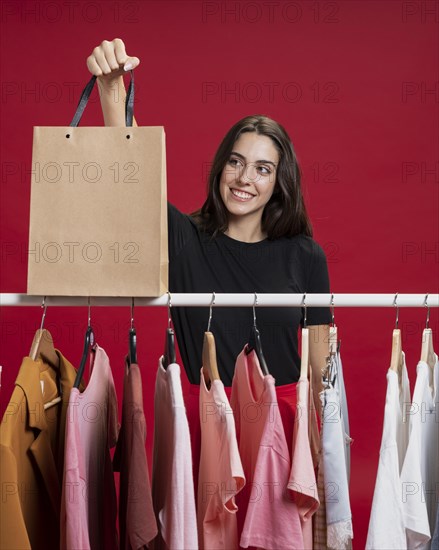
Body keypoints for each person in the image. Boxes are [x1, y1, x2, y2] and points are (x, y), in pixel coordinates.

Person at [86, 38, 331, 409]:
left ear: (280, 183)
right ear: (221, 167)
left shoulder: (306, 255)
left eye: (262, 169)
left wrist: (319, 446)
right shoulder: (185, 240)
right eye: (235, 162)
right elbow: (134, 173)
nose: (244, 177)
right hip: (209, 417)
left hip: (286, 422)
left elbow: (319, 367)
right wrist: (112, 87)